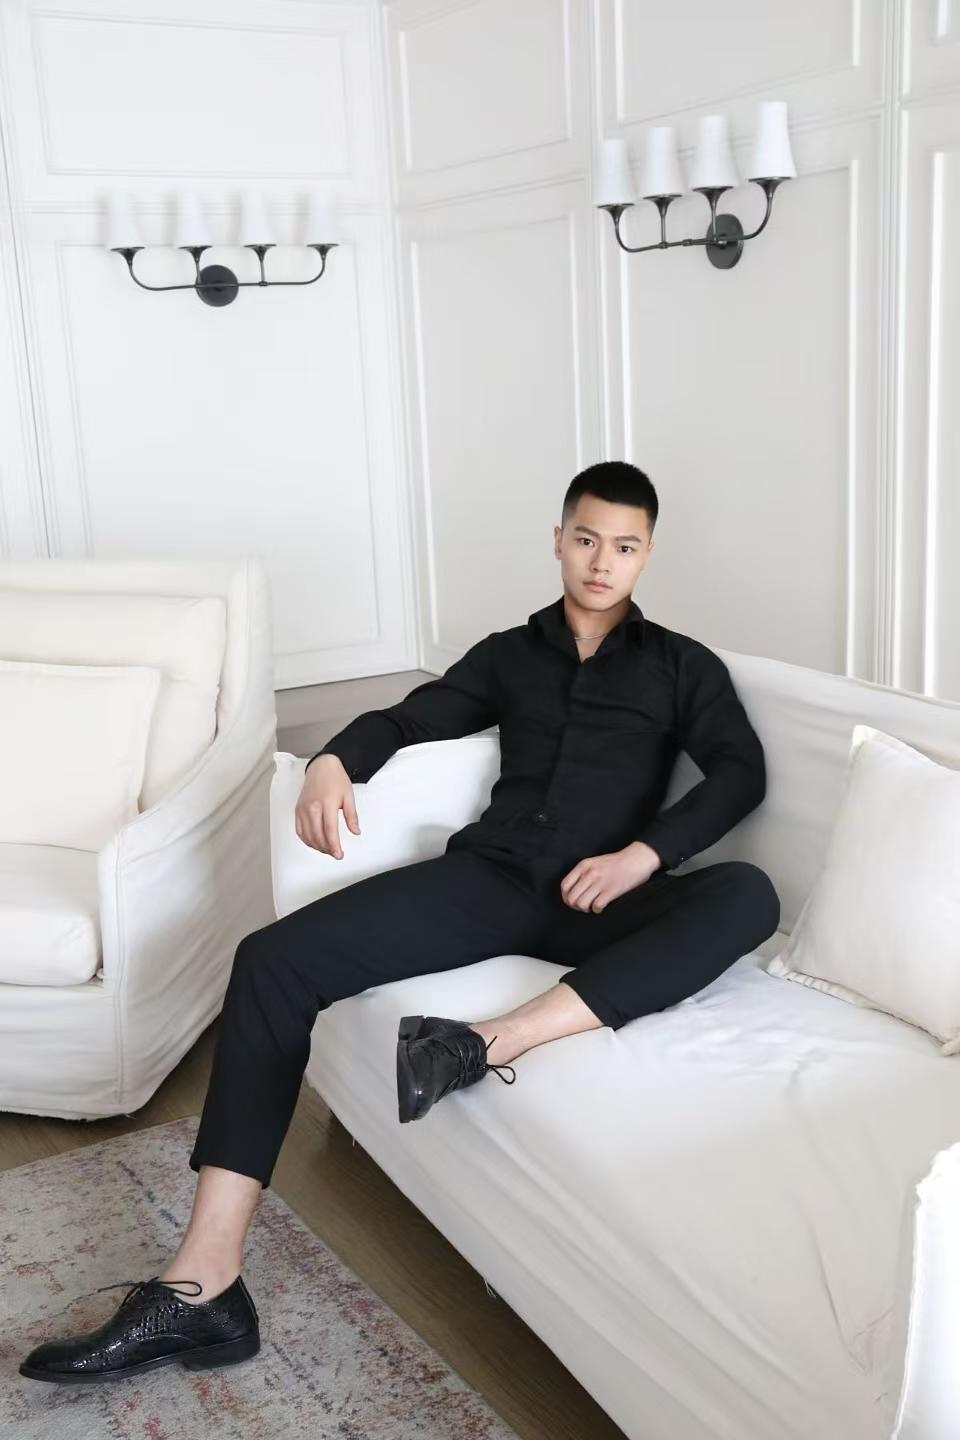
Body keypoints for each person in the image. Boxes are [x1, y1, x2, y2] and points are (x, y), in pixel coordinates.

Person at [19, 460, 780, 1385]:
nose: (600, 562)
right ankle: (204, 1285)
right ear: (558, 538)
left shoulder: (681, 666)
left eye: (624, 547)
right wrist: (332, 761)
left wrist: (643, 856)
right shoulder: (509, 653)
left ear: (647, 554)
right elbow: (411, 717)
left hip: (603, 899)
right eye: (586, 539)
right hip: (492, 881)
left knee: (748, 894)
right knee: (271, 961)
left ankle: (484, 1042)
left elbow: (740, 774)